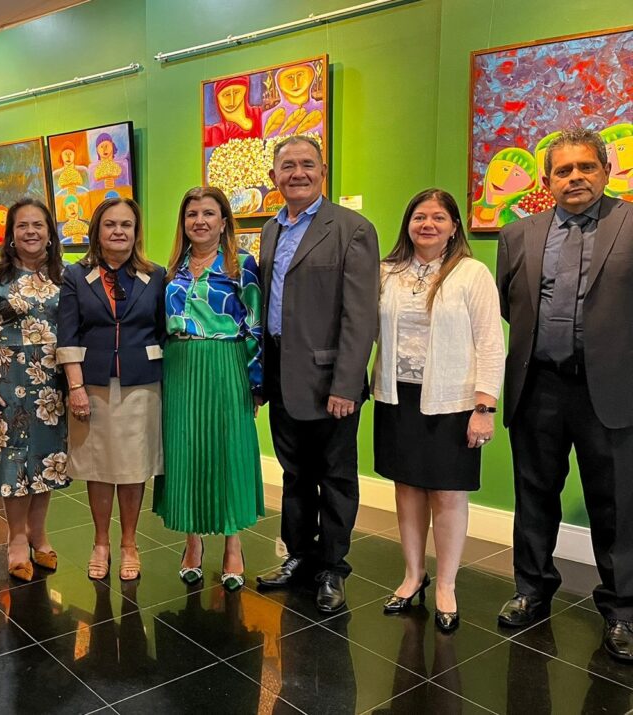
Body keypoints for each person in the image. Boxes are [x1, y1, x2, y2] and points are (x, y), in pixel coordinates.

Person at [496, 128, 633, 662]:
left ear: (605, 171)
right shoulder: (518, 234)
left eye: (585, 167)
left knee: (615, 503)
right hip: (538, 386)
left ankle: (622, 610)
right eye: (563, 170)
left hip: (610, 390)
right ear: (547, 180)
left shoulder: (629, 223)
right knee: (533, 496)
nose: (575, 177)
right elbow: (511, 305)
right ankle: (531, 590)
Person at [255, 136, 379, 614]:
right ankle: (299, 556)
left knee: (336, 477)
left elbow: (360, 315)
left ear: (323, 172)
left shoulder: (351, 229)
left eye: (307, 164)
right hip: (282, 376)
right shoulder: (271, 229)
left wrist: (346, 384)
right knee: (295, 475)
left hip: (331, 382)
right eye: (287, 166)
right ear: (274, 177)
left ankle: (332, 568)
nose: (298, 173)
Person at [372, 188, 504, 632]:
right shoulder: (387, 272)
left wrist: (484, 406)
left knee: (447, 493)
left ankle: (446, 584)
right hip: (397, 396)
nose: (427, 224)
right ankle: (413, 575)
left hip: (453, 400)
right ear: (408, 224)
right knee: (407, 489)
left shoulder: (471, 273)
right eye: (419, 217)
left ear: (453, 227)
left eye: (438, 218)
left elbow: (491, 343)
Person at [152, 186, 265, 592]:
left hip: (225, 364)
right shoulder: (171, 270)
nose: (199, 221)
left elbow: (255, 325)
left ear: (223, 221)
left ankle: (233, 544)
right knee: (187, 452)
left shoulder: (242, 265)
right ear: (183, 222)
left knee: (227, 451)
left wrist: (255, 382)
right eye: (192, 214)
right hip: (180, 366)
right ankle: (192, 542)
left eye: (208, 213)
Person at [57, 197, 166, 581]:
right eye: (110, 224)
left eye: (126, 225)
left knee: (134, 468)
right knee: (100, 467)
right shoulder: (76, 276)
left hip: (142, 382)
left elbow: (164, 330)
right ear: (97, 231)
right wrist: (75, 387)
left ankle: (129, 544)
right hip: (93, 384)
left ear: (136, 232)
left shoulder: (156, 276)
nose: (118, 231)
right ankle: (101, 542)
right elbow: (67, 334)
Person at [0, 197, 69, 582]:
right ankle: (16, 540)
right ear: (10, 234)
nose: (30, 232)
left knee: (46, 460)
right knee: (13, 460)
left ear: (49, 232)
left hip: (52, 384)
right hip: (8, 381)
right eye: (22, 225)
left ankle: (39, 535)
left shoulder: (64, 275)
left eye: (38, 225)